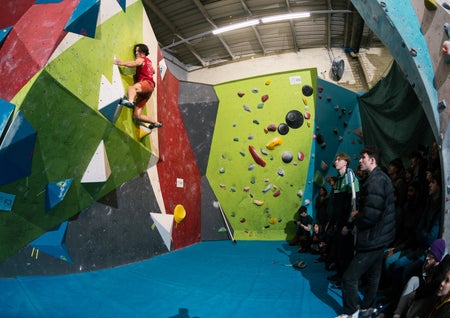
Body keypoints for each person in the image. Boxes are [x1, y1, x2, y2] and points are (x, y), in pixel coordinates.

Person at [336, 146, 396, 318]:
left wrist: (356, 217)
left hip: (374, 238)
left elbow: (371, 215)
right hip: (381, 236)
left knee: (349, 278)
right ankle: (366, 307)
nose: (360, 160)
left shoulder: (376, 181)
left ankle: (351, 311)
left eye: (363, 157)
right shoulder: (378, 178)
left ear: (372, 160)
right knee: (373, 275)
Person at [392, 238, 446, 318]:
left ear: (437, 258)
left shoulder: (441, 272)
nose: (427, 258)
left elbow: (430, 291)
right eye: (428, 253)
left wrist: (415, 294)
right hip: (421, 292)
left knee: (420, 303)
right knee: (414, 280)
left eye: (430, 255)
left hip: (430, 299)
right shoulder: (426, 264)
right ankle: (397, 314)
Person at [327, 153, 359, 284]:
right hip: (339, 222)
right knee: (339, 249)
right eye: (336, 160)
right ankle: (340, 274)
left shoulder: (351, 180)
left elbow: (353, 205)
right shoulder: (338, 180)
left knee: (346, 251)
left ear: (346, 163)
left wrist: (348, 224)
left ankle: (346, 278)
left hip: (346, 223)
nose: (336, 161)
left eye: (339, 160)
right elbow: (337, 205)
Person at [114, 43, 162, 129]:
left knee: (132, 88)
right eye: (135, 51)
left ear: (143, 52)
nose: (136, 53)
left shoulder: (142, 59)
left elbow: (134, 63)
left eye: (137, 51)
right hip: (148, 90)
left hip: (147, 84)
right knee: (137, 116)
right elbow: (153, 71)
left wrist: (121, 63)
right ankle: (156, 123)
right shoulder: (149, 62)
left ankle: (130, 102)